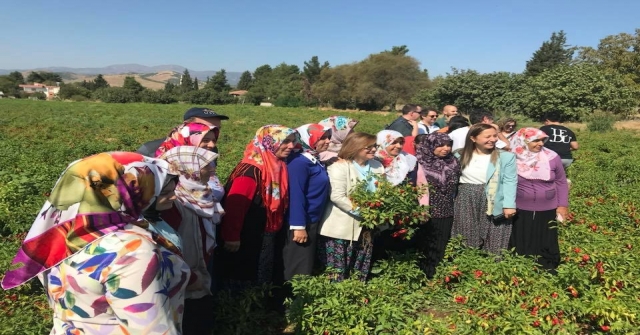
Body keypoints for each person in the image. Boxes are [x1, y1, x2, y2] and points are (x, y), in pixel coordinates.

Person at [1, 152, 190, 334]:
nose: (173, 196)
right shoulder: (132, 251)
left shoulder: (60, 236)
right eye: (160, 190)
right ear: (129, 191)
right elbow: (150, 329)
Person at [215, 125, 297, 292]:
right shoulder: (251, 170)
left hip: (263, 233)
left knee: (260, 274)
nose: (291, 146)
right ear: (269, 142)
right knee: (242, 276)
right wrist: (231, 236)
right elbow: (235, 206)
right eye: (286, 142)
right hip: (246, 237)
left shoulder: (276, 165)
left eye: (293, 142)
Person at [159, 146, 221, 335]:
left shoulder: (204, 192)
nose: (213, 169)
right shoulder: (173, 201)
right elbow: (167, 246)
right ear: (186, 169)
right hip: (185, 275)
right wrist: (189, 275)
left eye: (211, 164)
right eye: (205, 165)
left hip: (200, 269)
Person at [318, 132, 385, 281]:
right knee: (337, 269)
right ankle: (335, 298)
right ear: (355, 147)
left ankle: (355, 295)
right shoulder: (339, 166)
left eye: (375, 146)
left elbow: (383, 191)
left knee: (360, 264)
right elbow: (337, 196)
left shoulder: (377, 166)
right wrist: (364, 213)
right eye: (369, 147)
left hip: (367, 225)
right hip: (341, 226)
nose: (373, 150)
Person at [509, 128, 569, 271]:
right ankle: (522, 267)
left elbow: (561, 181)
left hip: (548, 206)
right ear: (523, 141)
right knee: (522, 235)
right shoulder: (512, 157)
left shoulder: (552, 157)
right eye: (535, 140)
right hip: (520, 206)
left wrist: (562, 205)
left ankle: (547, 266)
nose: (540, 143)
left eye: (542, 140)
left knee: (546, 236)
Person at [452, 124, 517, 254]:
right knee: (467, 229)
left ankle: (494, 263)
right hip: (466, 195)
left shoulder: (505, 157)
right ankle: (467, 260)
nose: (493, 139)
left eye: (495, 136)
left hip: (493, 196)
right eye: (487, 136)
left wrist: (509, 205)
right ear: (473, 138)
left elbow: (510, 181)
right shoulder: (459, 155)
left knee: (494, 230)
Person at [281, 124, 331, 282]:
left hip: (312, 220)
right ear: (308, 138)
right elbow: (296, 194)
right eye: (322, 137)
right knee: (298, 268)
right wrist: (298, 226)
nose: (328, 141)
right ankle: (292, 304)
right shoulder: (299, 162)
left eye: (328, 137)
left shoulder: (312, 158)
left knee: (305, 265)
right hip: (302, 223)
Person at [414, 133, 461, 278]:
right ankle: (420, 274)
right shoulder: (419, 162)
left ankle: (433, 275)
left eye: (448, 145)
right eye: (441, 145)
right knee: (424, 243)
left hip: (446, 209)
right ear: (431, 145)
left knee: (440, 243)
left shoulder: (453, 161)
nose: (446, 149)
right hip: (426, 210)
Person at [137, 107, 229, 156]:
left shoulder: (211, 149)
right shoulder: (150, 150)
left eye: (216, 129)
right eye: (204, 128)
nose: (212, 132)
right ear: (186, 127)